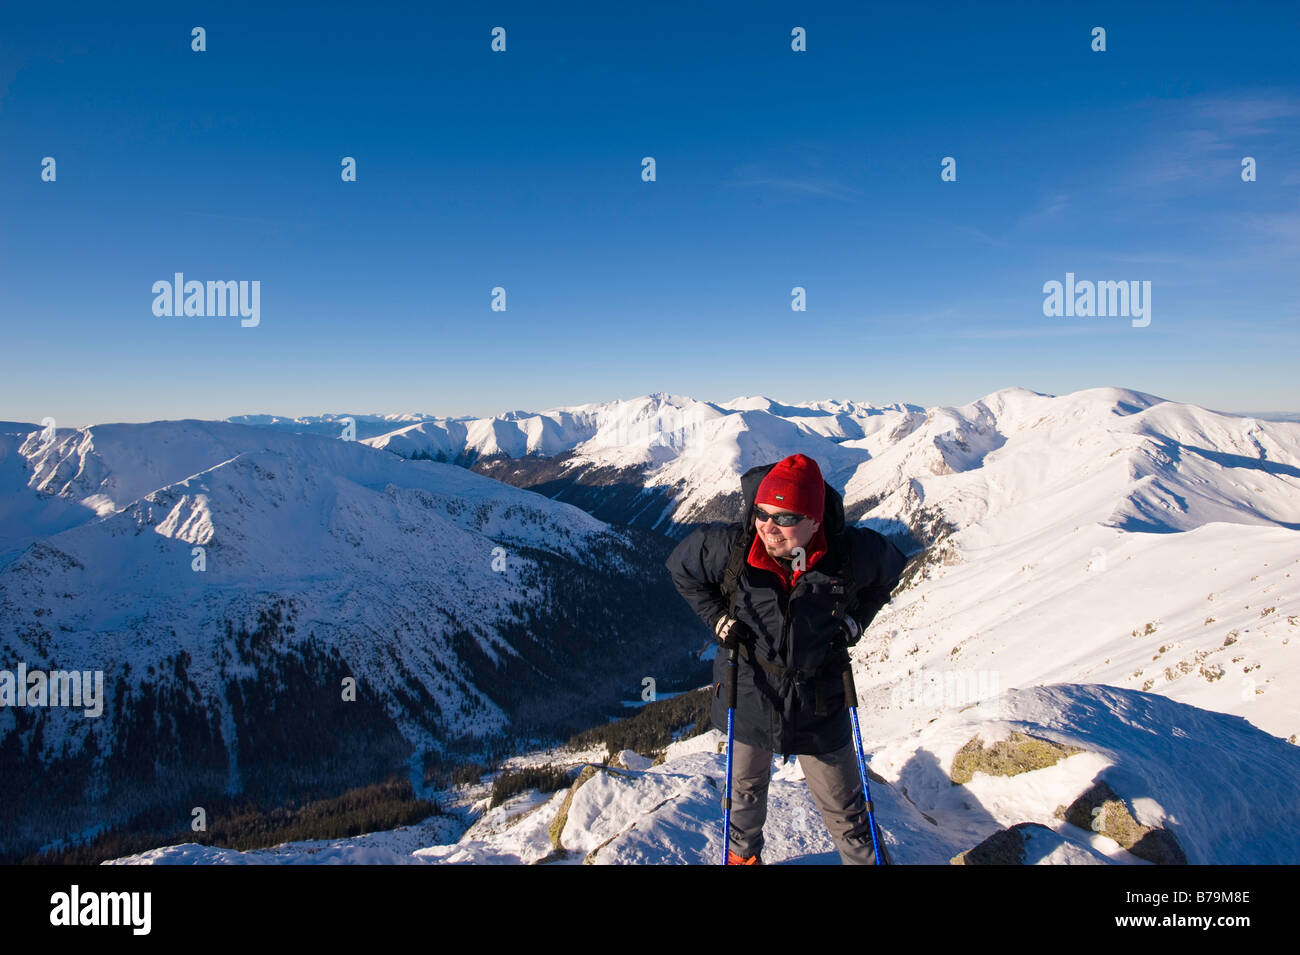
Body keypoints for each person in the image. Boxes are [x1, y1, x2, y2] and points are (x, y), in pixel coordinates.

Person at [665, 453, 908, 864]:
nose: (768, 527)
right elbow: (681, 568)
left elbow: (889, 574)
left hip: (819, 697)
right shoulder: (731, 550)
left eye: (785, 517)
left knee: (846, 806)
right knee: (743, 792)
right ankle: (743, 859)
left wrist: (855, 621)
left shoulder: (850, 556)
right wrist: (718, 618)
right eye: (761, 512)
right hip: (749, 688)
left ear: (815, 521)